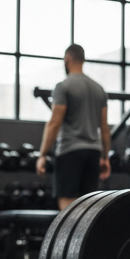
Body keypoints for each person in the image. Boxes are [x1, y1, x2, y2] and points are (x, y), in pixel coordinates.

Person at [36, 44, 111, 211]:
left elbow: (55, 122)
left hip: (70, 151)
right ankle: (87, 238)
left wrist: (42, 154)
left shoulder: (63, 87)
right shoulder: (99, 90)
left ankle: (70, 238)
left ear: (68, 60)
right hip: (93, 152)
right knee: (89, 204)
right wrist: (105, 157)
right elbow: (105, 128)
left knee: (67, 202)